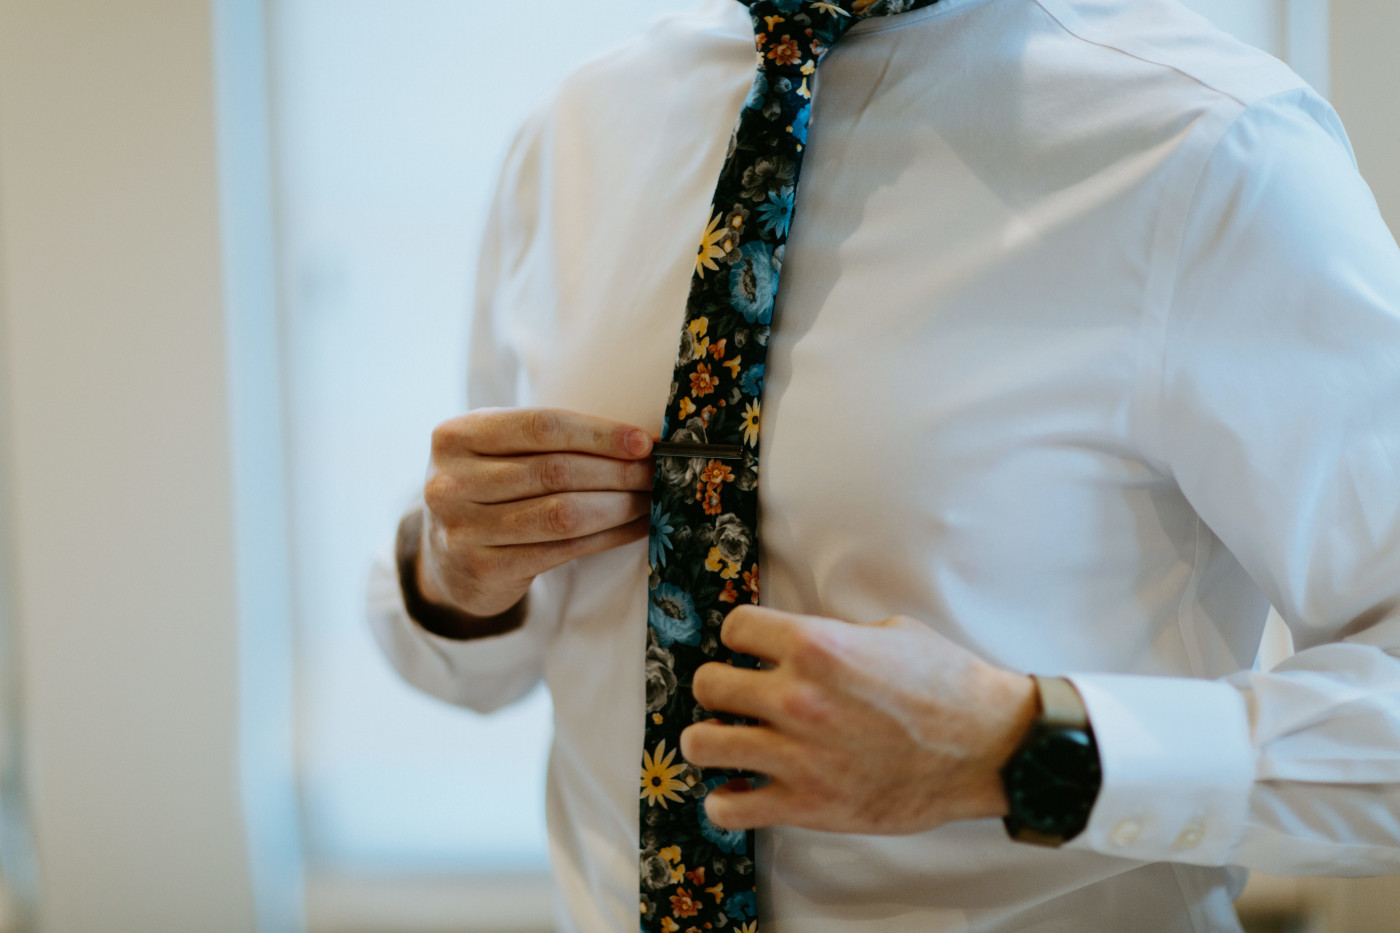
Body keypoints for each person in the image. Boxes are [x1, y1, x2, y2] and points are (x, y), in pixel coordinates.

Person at [367, 0, 1400, 929]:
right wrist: (452, 576)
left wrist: (1023, 745)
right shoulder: (574, 131)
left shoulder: (1212, 148)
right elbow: (463, 668)